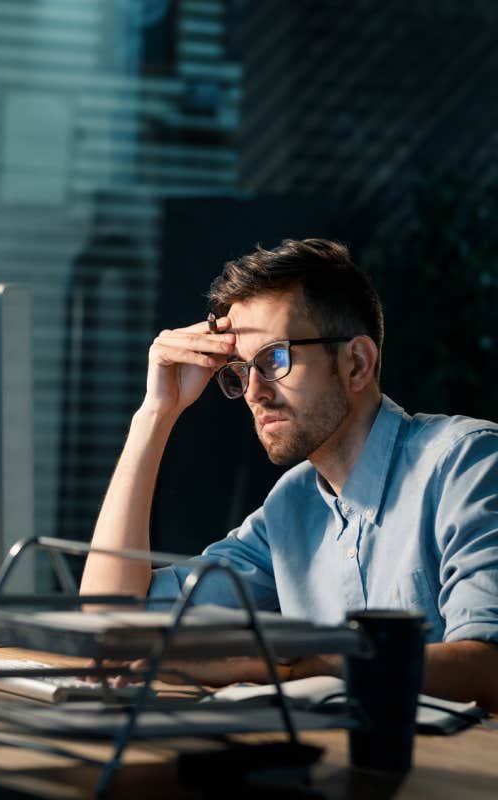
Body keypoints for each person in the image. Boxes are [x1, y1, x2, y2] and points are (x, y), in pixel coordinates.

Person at [80, 238, 498, 710]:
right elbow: (114, 620)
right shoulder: (291, 506)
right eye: (240, 369)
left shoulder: (468, 463)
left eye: (275, 359)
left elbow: (487, 667)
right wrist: (155, 415)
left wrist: (284, 671)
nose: (253, 392)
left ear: (357, 363)